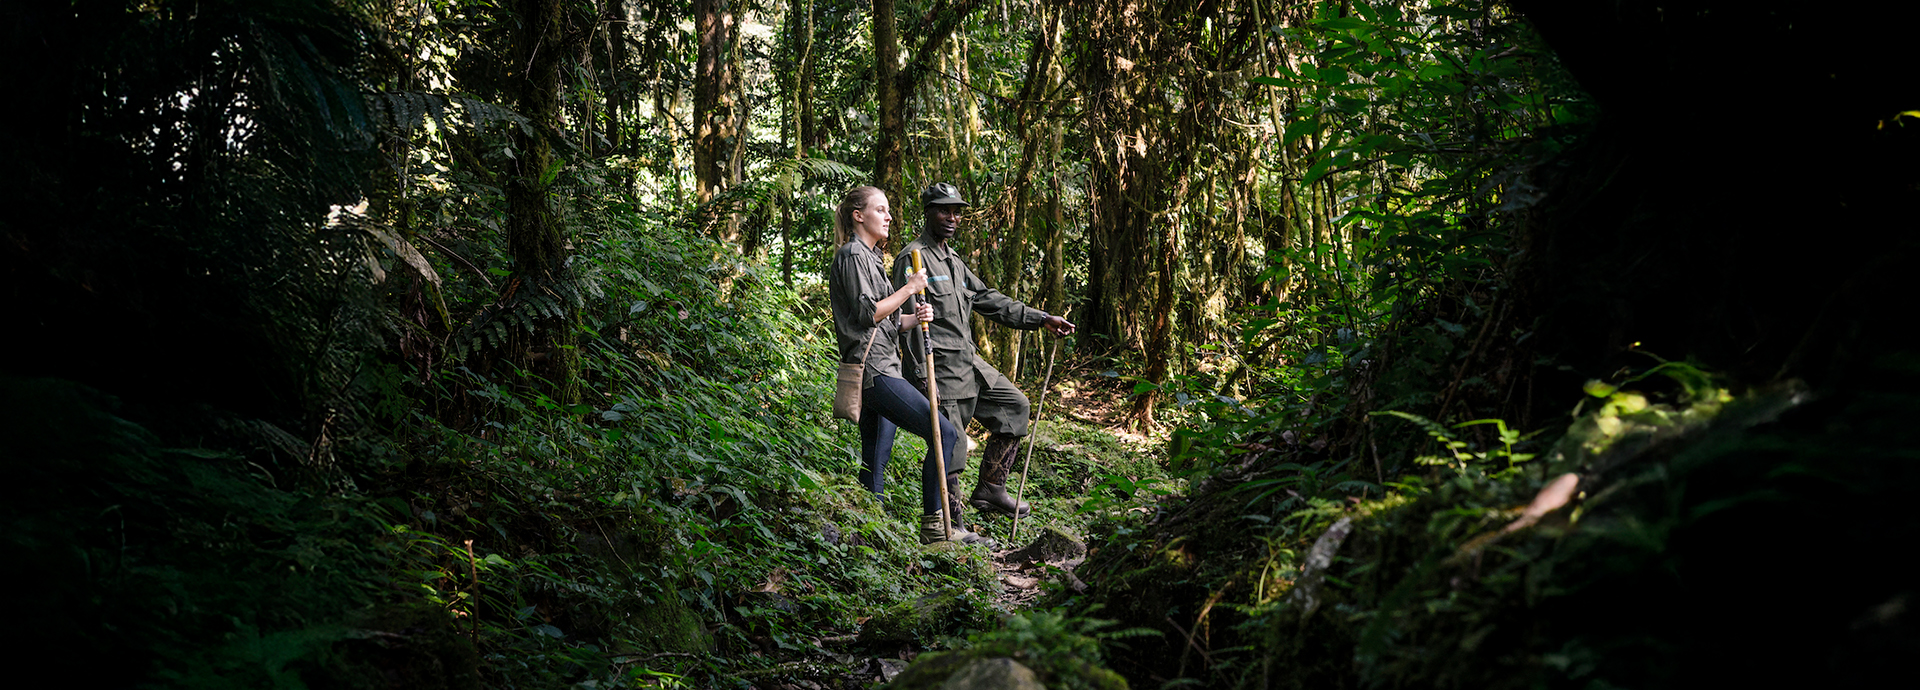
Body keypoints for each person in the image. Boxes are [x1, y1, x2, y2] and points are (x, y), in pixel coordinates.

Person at [889, 182, 1076, 528]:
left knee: (1015, 406)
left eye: (957, 212)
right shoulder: (913, 257)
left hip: (969, 361)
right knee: (952, 445)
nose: (952, 218)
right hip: (940, 367)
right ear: (928, 213)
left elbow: (989, 300)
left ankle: (991, 487)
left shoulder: (954, 260)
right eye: (944, 211)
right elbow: (908, 320)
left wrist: (1041, 319)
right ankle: (952, 527)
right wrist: (922, 377)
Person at [827, 185, 982, 545]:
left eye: (888, 210)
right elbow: (868, 314)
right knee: (944, 433)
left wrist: (913, 318)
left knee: (875, 457)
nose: (888, 217)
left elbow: (886, 320)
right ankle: (934, 525)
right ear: (858, 216)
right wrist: (909, 289)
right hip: (874, 371)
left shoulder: (870, 256)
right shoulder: (852, 254)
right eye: (880, 210)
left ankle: (870, 535)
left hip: (884, 365)